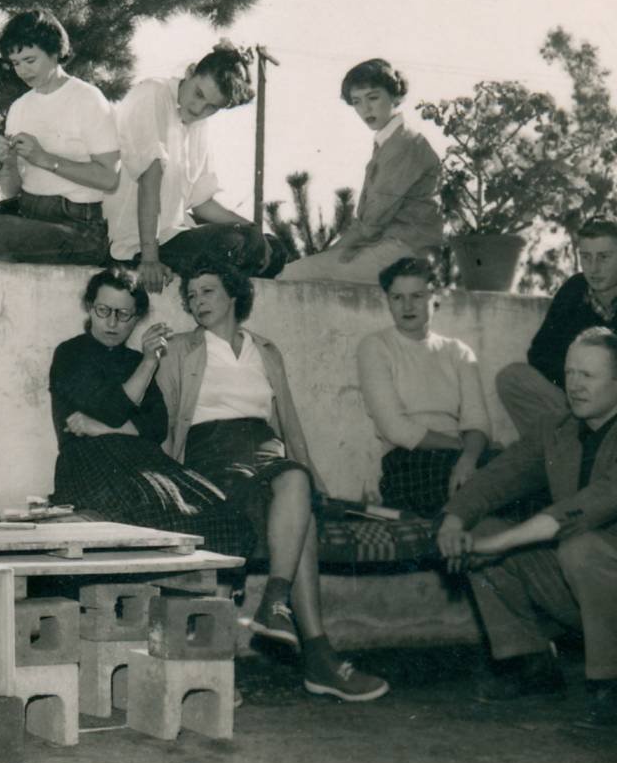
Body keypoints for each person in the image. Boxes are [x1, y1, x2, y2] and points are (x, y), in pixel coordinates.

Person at [157, 257, 389, 701]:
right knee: (303, 522)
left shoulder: (266, 349)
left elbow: (289, 424)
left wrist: (314, 475)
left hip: (266, 454)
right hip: (211, 459)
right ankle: (317, 656)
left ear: (232, 294)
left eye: (207, 290)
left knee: (298, 486)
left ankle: (276, 606)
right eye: (191, 295)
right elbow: (166, 424)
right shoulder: (180, 349)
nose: (197, 301)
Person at [438, 327, 617, 730]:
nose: (574, 385)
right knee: (480, 531)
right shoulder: (559, 428)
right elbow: (500, 475)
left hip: (600, 570)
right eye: (570, 373)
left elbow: (582, 510)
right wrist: (454, 520)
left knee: (579, 547)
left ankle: (608, 684)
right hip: (586, 588)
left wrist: (498, 543)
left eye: (588, 376)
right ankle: (533, 664)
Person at [48, 267, 255, 557]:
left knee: (223, 514)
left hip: (142, 461)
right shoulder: (71, 353)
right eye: (103, 310)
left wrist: (103, 427)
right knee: (145, 512)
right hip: (90, 463)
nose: (111, 322)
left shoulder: (135, 359)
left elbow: (157, 427)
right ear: (89, 307)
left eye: (123, 314)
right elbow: (113, 409)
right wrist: (147, 364)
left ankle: (196, 596)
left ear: (137, 318)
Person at [0, 9, 119, 264]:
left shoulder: (87, 99)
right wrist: (9, 162)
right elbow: (11, 189)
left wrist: (44, 159)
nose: (22, 71)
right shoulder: (20, 107)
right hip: (27, 215)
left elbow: (109, 178)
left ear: (54, 53)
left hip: (79, 229)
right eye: (16, 63)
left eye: (30, 60)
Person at [105, 42, 278, 292]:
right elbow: (150, 177)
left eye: (212, 107)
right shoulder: (153, 93)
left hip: (174, 237)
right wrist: (149, 259)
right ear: (190, 71)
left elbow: (202, 203)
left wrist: (254, 229)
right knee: (240, 245)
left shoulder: (197, 126)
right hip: (132, 245)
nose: (199, 109)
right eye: (198, 94)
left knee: (272, 247)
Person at [281, 60, 442, 283]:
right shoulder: (389, 141)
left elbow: (371, 223)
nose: (365, 109)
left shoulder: (404, 144)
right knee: (302, 272)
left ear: (395, 96)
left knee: (289, 276)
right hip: (393, 246)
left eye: (373, 98)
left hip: (408, 251)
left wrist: (328, 256)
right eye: (357, 101)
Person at [356, 257, 490, 517]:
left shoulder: (458, 352)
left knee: (511, 472)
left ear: (434, 297)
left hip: (462, 456)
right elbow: (396, 429)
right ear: (388, 301)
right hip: (410, 460)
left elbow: (478, 421)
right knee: (468, 494)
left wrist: (469, 458)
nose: (407, 306)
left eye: (417, 296)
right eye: (397, 298)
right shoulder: (375, 347)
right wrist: (460, 450)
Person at [496, 219, 617, 441]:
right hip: (573, 401)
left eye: (604, 257)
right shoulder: (574, 290)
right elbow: (540, 353)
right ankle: (568, 448)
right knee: (512, 378)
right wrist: (576, 389)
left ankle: (569, 449)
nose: (594, 267)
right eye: (586, 257)